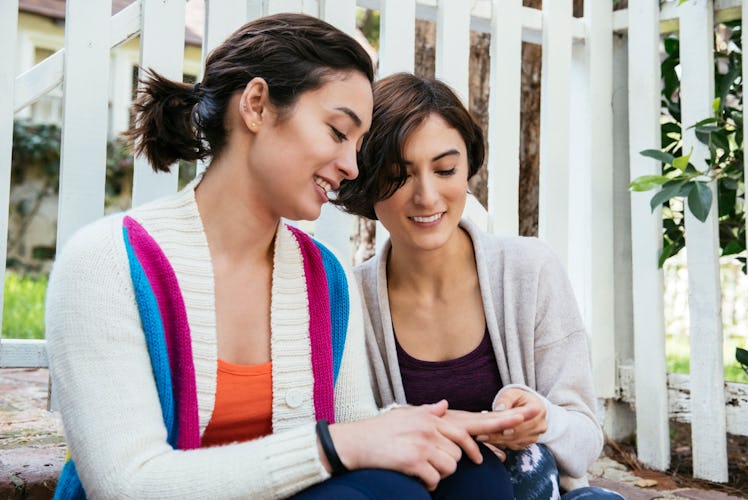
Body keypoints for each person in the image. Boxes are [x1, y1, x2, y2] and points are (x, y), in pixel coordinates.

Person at [45, 16, 535, 499]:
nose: (351, 166)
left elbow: (357, 432)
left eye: (359, 145)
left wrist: (435, 425)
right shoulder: (107, 263)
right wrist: (333, 446)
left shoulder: (324, 276)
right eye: (339, 132)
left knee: (469, 471)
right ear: (256, 105)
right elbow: (126, 484)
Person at [335, 73, 624, 499]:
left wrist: (544, 419)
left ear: (468, 166)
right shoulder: (350, 301)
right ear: (368, 180)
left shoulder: (530, 268)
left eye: (446, 168)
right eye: (399, 175)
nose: (428, 196)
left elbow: (583, 441)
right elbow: (354, 439)